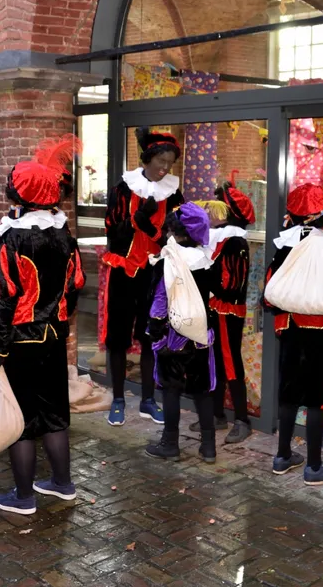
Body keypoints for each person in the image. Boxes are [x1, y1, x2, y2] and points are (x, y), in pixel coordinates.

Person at [0, 135, 86, 515]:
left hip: (22, 339)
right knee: (55, 413)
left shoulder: (13, 239)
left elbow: (6, 299)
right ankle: (62, 483)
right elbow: (74, 288)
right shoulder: (64, 236)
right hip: (54, 336)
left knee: (23, 420)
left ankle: (24, 496)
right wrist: (57, 319)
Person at [263, 183, 323, 485]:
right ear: (322, 214)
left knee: (289, 393)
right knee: (315, 399)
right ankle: (314, 467)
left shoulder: (285, 243)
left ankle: (283, 456)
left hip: (290, 326)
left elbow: (272, 283)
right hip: (320, 329)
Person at [102, 127, 184, 426]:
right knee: (118, 338)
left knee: (151, 335)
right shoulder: (123, 189)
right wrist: (134, 220)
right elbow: (112, 231)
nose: (165, 168)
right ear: (148, 158)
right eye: (161, 161)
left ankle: (148, 400)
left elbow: (178, 235)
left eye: (170, 163)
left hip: (155, 273)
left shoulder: (173, 194)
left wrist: (151, 229)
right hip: (125, 270)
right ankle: (118, 399)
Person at [145, 203, 217, 463]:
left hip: (173, 338)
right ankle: (208, 447)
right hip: (201, 337)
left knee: (171, 390)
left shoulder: (169, 262)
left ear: (176, 232)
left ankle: (170, 444)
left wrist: (154, 331)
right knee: (202, 392)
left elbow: (159, 303)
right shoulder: (207, 261)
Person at [191, 171, 256, 444]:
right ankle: (217, 415)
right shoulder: (218, 240)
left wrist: (203, 273)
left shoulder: (235, 243)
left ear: (227, 214)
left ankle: (242, 419)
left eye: (215, 207)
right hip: (214, 310)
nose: (209, 211)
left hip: (228, 312)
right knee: (214, 362)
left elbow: (230, 286)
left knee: (230, 363)